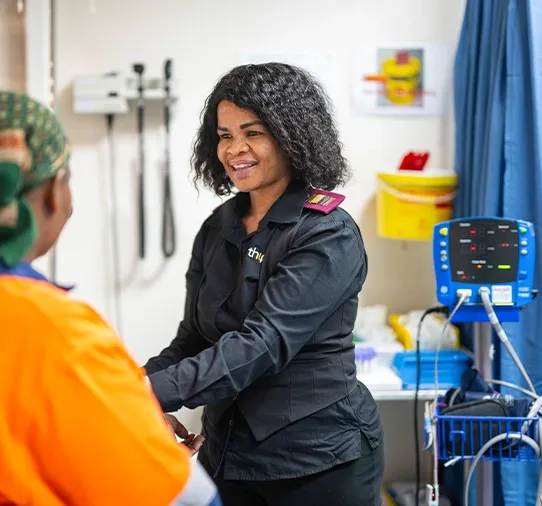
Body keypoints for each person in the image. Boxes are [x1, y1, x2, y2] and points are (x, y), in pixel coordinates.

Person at [144, 63, 384, 506]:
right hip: (226, 454)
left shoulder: (326, 233)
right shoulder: (218, 227)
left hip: (317, 461)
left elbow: (263, 343)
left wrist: (151, 394)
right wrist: (134, 389)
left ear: (291, 135)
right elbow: (194, 338)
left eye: (253, 133)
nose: (235, 149)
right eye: (224, 135)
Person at [0, 90, 221, 506]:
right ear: (53, 194)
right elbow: (178, 497)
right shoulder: (52, 330)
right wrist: (142, 429)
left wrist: (135, 397)